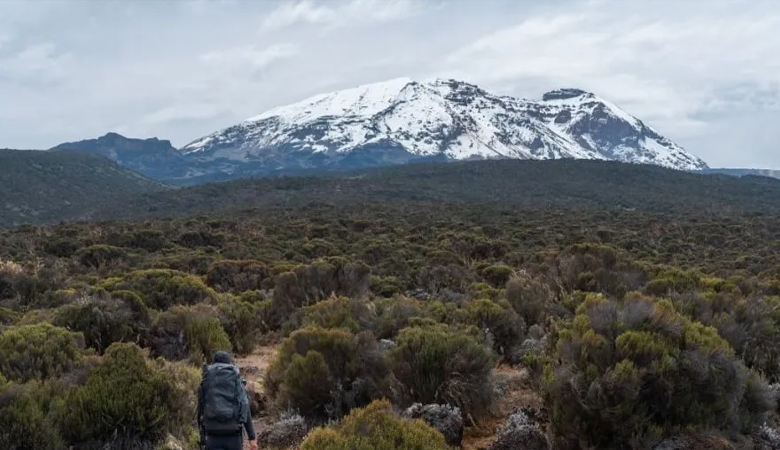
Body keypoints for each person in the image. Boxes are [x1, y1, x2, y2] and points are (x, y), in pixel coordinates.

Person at [197, 350, 258, 450]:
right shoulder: (236, 380)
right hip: (233, 435)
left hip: (212, 435)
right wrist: (252, 437)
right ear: (229, 363)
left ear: (213, 363)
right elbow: (245, 407)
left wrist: (202, 437)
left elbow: (200, 409)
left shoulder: (207, 380)